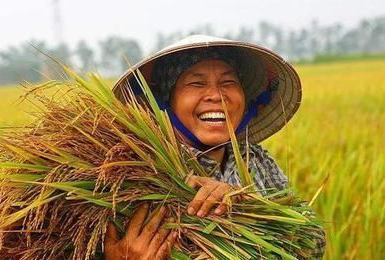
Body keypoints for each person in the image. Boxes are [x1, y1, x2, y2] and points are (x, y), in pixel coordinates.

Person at [104, 35, 326, 259]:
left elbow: (315, 241)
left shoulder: (256, 161)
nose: (216, 95)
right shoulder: (139, 172)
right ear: (164, 103)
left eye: (228, 82)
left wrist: (246, 204)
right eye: (196, 83)